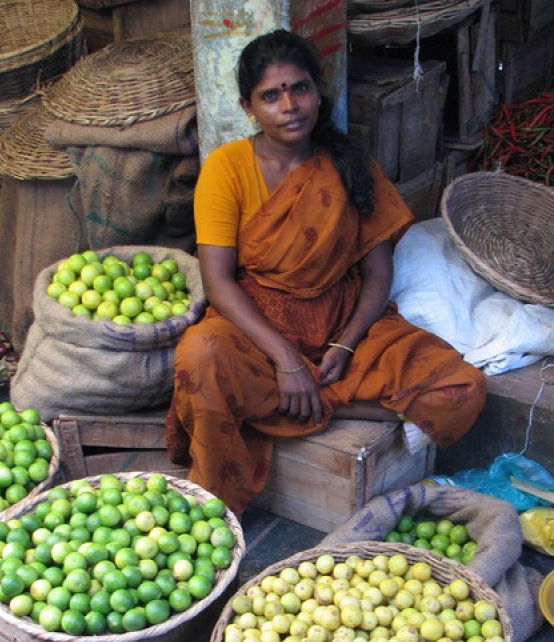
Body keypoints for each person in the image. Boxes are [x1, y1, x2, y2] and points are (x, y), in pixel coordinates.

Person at [165, 28, 486, 515]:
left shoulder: (350, 163)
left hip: (340, 326)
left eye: (299, 88)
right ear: (249, 108)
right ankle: (258, 447)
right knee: (200, 355)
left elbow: (378, 275)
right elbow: (219, 282)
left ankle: (305, 402)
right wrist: (287, 361)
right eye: (270, 96)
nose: (288, 105)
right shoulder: (227, 167)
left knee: (462, 389)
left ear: (317, 93)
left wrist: (346, 343)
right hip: (259, 329)